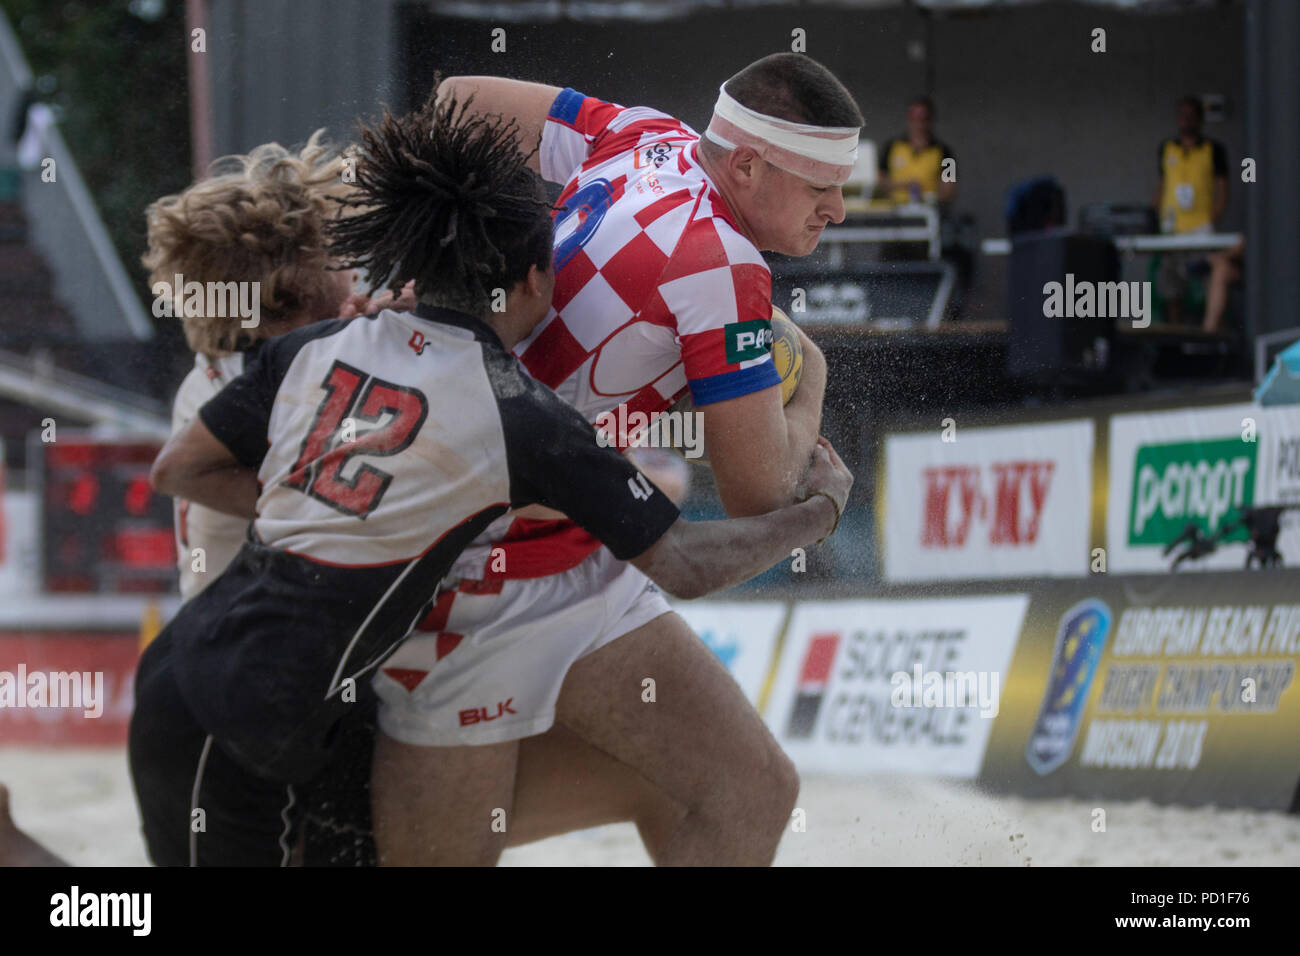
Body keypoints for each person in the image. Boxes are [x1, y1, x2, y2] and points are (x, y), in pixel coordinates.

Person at [128, 90, 853, 866]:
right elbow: (681, 545)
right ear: (537, 280)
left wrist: (354, 503)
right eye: (336, 273)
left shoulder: (308, 355)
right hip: (272, 716)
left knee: (729, 785)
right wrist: (807, 479)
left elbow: (182, 469)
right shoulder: (491, 406)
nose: (357, 285)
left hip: (233, 670)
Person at [142, 131, 413, 602]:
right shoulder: (274, 385)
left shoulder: (223, 368)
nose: (353, 269)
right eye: (337, 254)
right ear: (297, 282)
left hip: (226, 632)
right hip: (255, 646)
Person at [1153, 95, 1228, 326]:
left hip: (1201, 229)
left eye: (1191, 116)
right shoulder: (1167, 148)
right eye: (1182, 116)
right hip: (1173, 229)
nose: (1186, 121)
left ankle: (1211, 333)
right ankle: (1176, 336)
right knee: (1170, 284)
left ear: (1200, 119)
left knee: (1209, 280)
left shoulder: (1213, 149)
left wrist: (1214, 217)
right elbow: (1163, 185)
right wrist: (1155, 217)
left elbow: (1222, 189)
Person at [876, 95, 956, 206]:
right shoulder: (892, 146)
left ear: (931, 120)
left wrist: (930, 196)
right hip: (896, 209)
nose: (918, 123)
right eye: (914, 117)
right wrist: (905, 185)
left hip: (929, 210)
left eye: (923, 118)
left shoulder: (945, 152)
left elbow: (949, 189)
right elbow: (879, 182)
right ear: (908, 118)